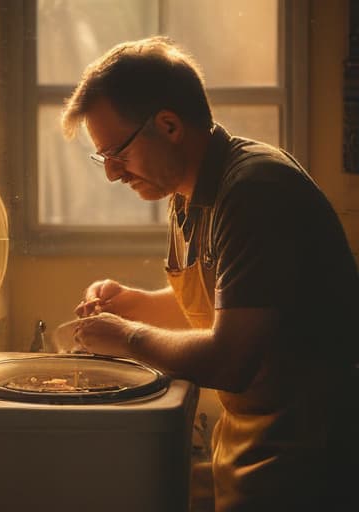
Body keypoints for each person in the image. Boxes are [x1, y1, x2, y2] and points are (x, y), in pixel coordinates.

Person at [61, 36, 359, 512]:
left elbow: (230, 358)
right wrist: (133, 301)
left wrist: (128, 337)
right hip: (252, 443)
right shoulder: (186, 191)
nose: (112, 174)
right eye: (103, 157)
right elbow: (227, 303)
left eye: (117, 152)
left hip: (310, 457)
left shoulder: (255, 191)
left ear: (169, 125)